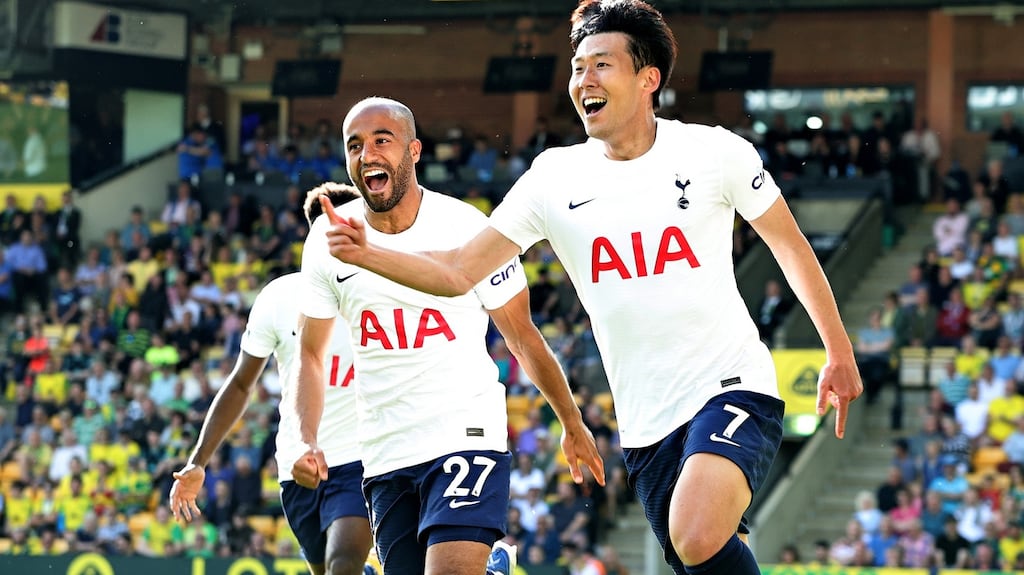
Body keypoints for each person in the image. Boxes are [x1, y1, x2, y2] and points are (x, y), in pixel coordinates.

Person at [315, 2, 862, 574]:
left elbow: (789, 244)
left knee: (697, 532)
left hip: (731, 384)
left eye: (601, 65)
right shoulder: (554, 178)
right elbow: (458, 272)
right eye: (577, 68)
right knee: (700, 552)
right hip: (646, 425)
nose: (584, 81)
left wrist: (838, 349)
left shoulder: (713, 153)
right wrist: (367, 253)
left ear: (648, 79)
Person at [293, 99, 603, 575]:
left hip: (465, 434)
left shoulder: (467, 228)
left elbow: (521, 335)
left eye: (382, 140)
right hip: (384, 450)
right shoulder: (326, 241)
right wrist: (305, 438)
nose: (368, 153)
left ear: (414, 151)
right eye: (355, 145)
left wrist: (571, 421)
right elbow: (311, 355)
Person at [168, 185, 374, 575]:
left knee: (342, 565)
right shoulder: (279, 298)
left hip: (361, 462)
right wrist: (198, 462)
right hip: (297, 469)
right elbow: (242, 384)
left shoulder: (381, 295)